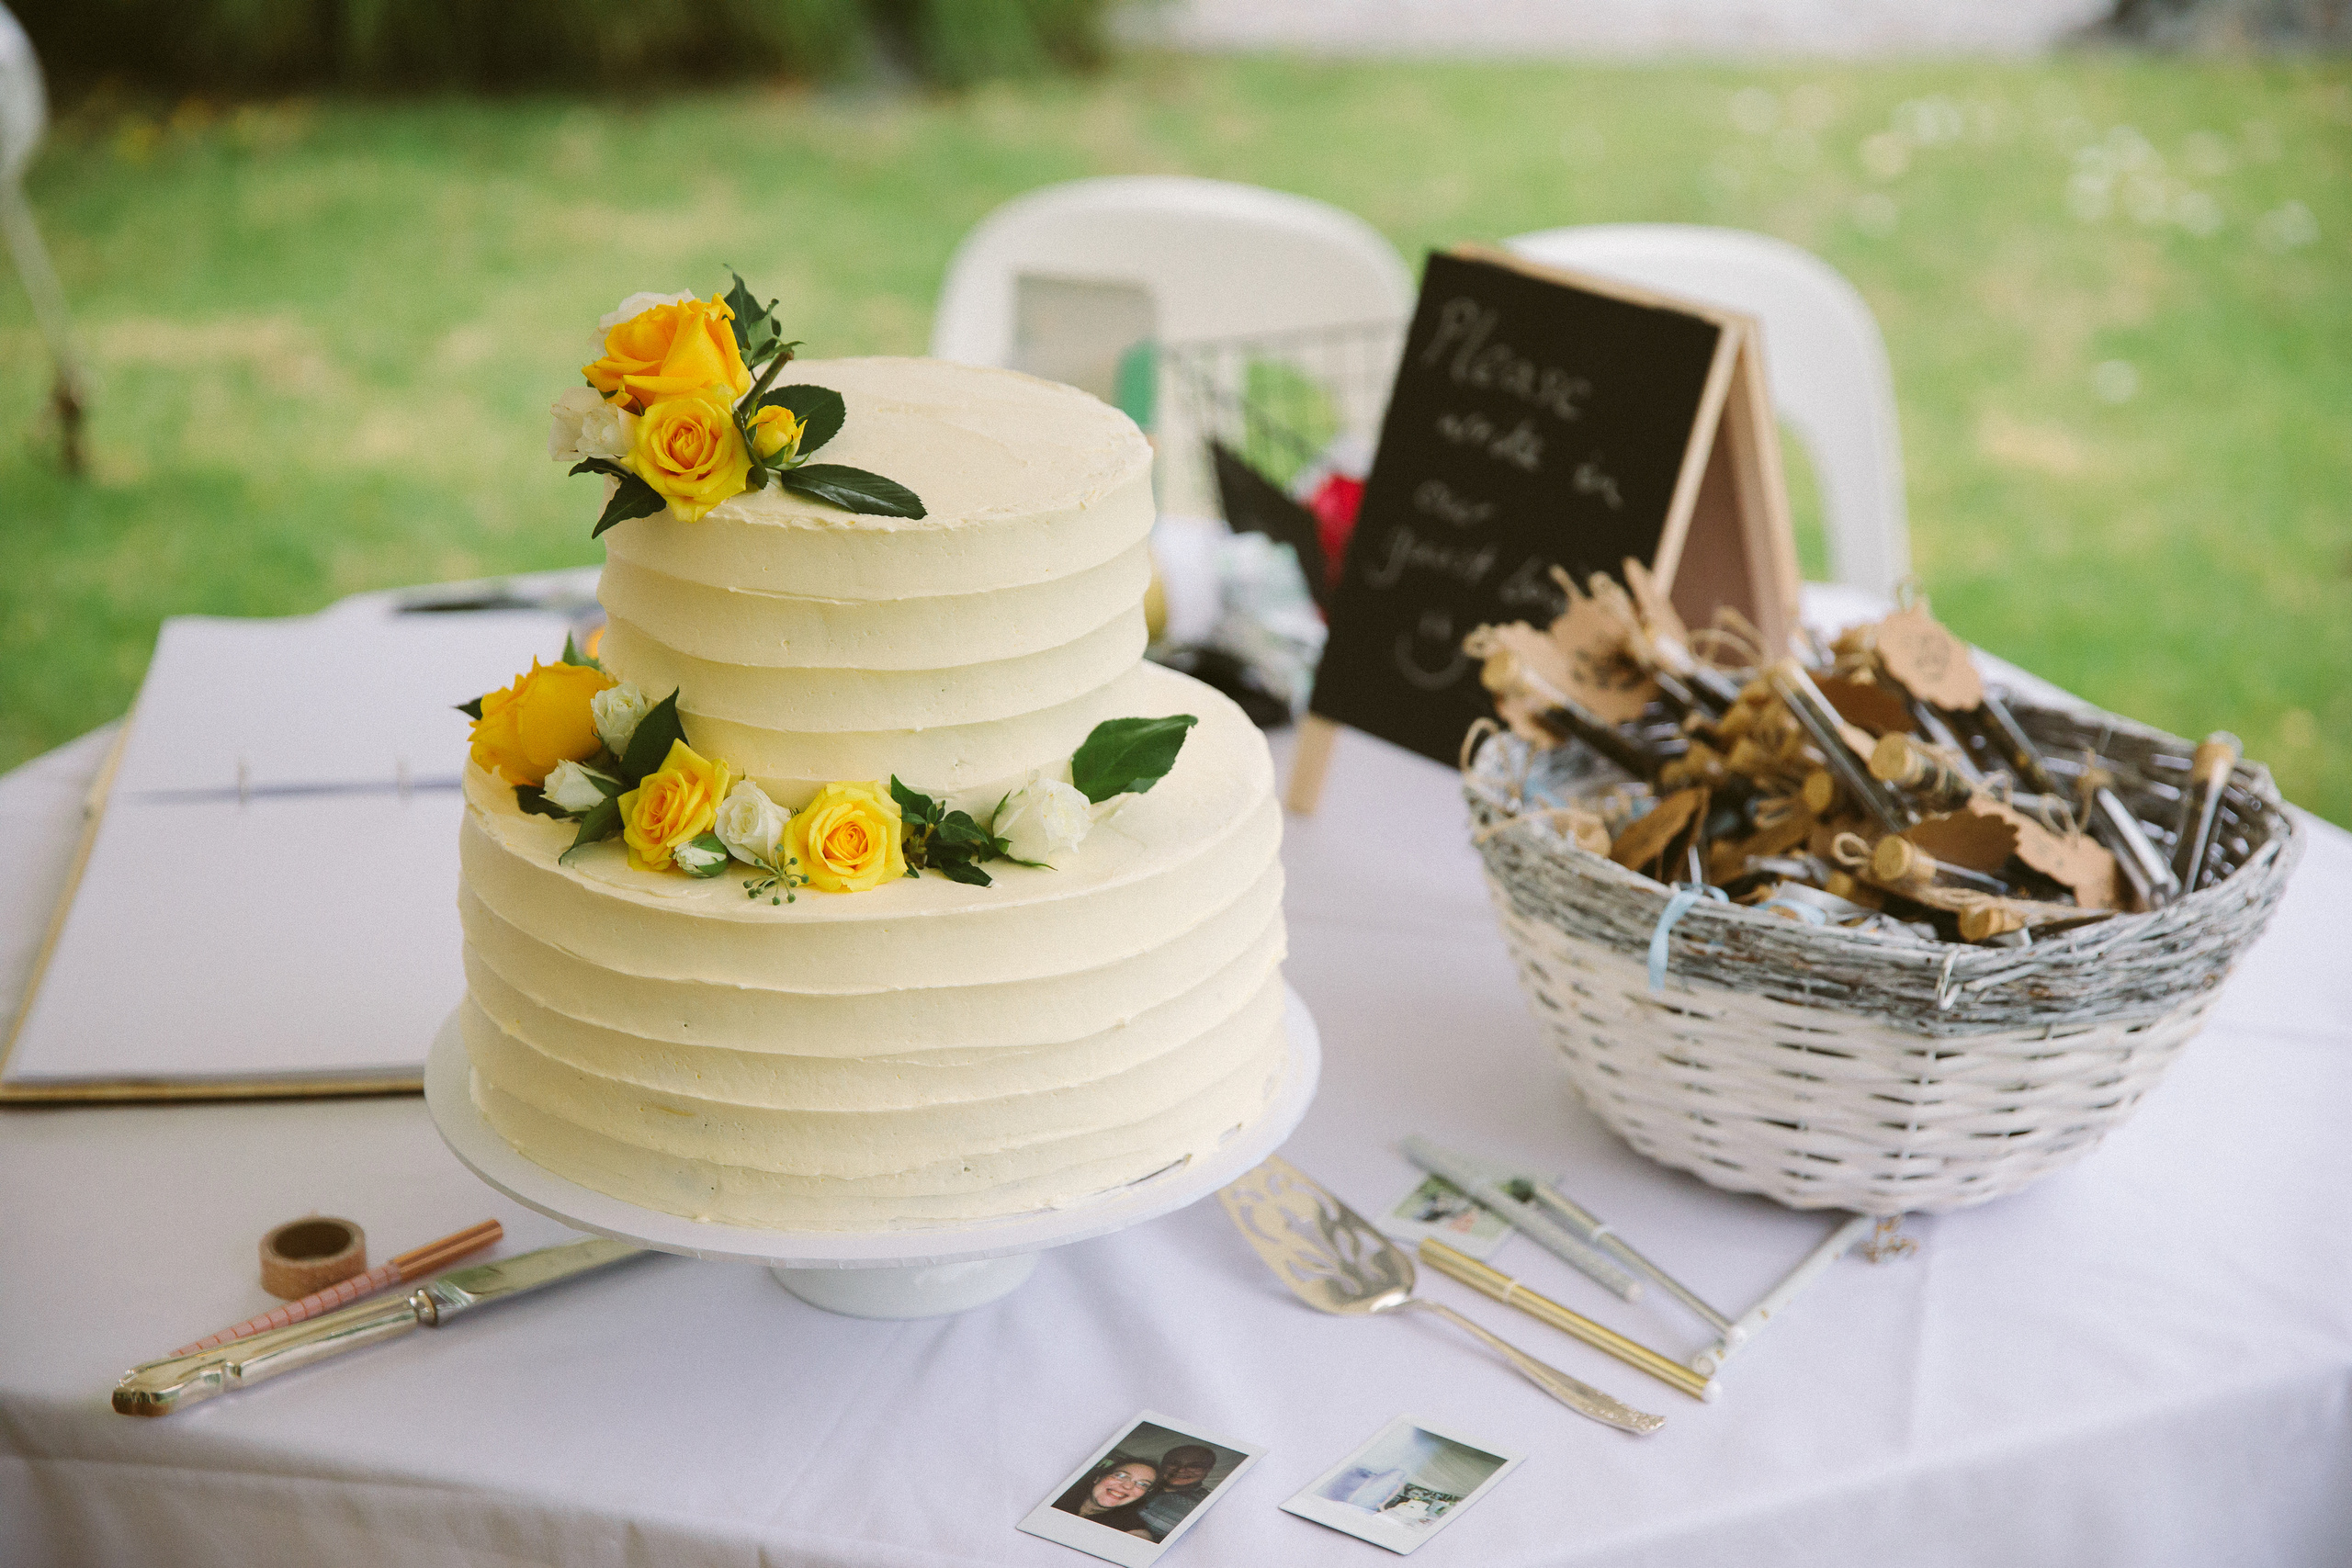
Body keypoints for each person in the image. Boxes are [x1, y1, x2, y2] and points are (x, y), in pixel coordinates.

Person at [1052, 1458, 1159, 1539]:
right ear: (1098, 1478)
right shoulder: (1055, 1494)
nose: (1127, 1486)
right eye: (1121, 1476)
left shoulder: (1131, 1530)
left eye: (1143, 1484)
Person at [1136, 1444, 1219, 1540]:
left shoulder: (1209, 1507)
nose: (1181, 1470)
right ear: (1163, 1464)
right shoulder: (1134, 1485)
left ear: (1208, 1470)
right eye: (1174, 1463)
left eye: (1194, 1466)